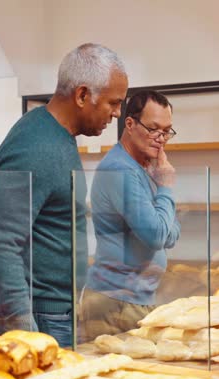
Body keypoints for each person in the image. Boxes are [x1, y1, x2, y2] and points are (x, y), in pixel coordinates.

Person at [0, 43, 128, 347]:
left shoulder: (57, 136)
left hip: (55, 311)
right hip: (39, 318)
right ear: (82, 95)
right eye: (113, 103)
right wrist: (24, 329)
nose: (116, 113)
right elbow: (1, 243)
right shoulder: (35, 146)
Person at [79, 90, 181, 342]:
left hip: (132, 297)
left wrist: (162, 220)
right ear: (130, 124)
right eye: (153, 129)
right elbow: (157, 235)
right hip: (116, 300)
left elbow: (171, 233)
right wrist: (166, 186)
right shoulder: (120, 169)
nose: (161, 139)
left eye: (166, 131)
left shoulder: (144, 168)